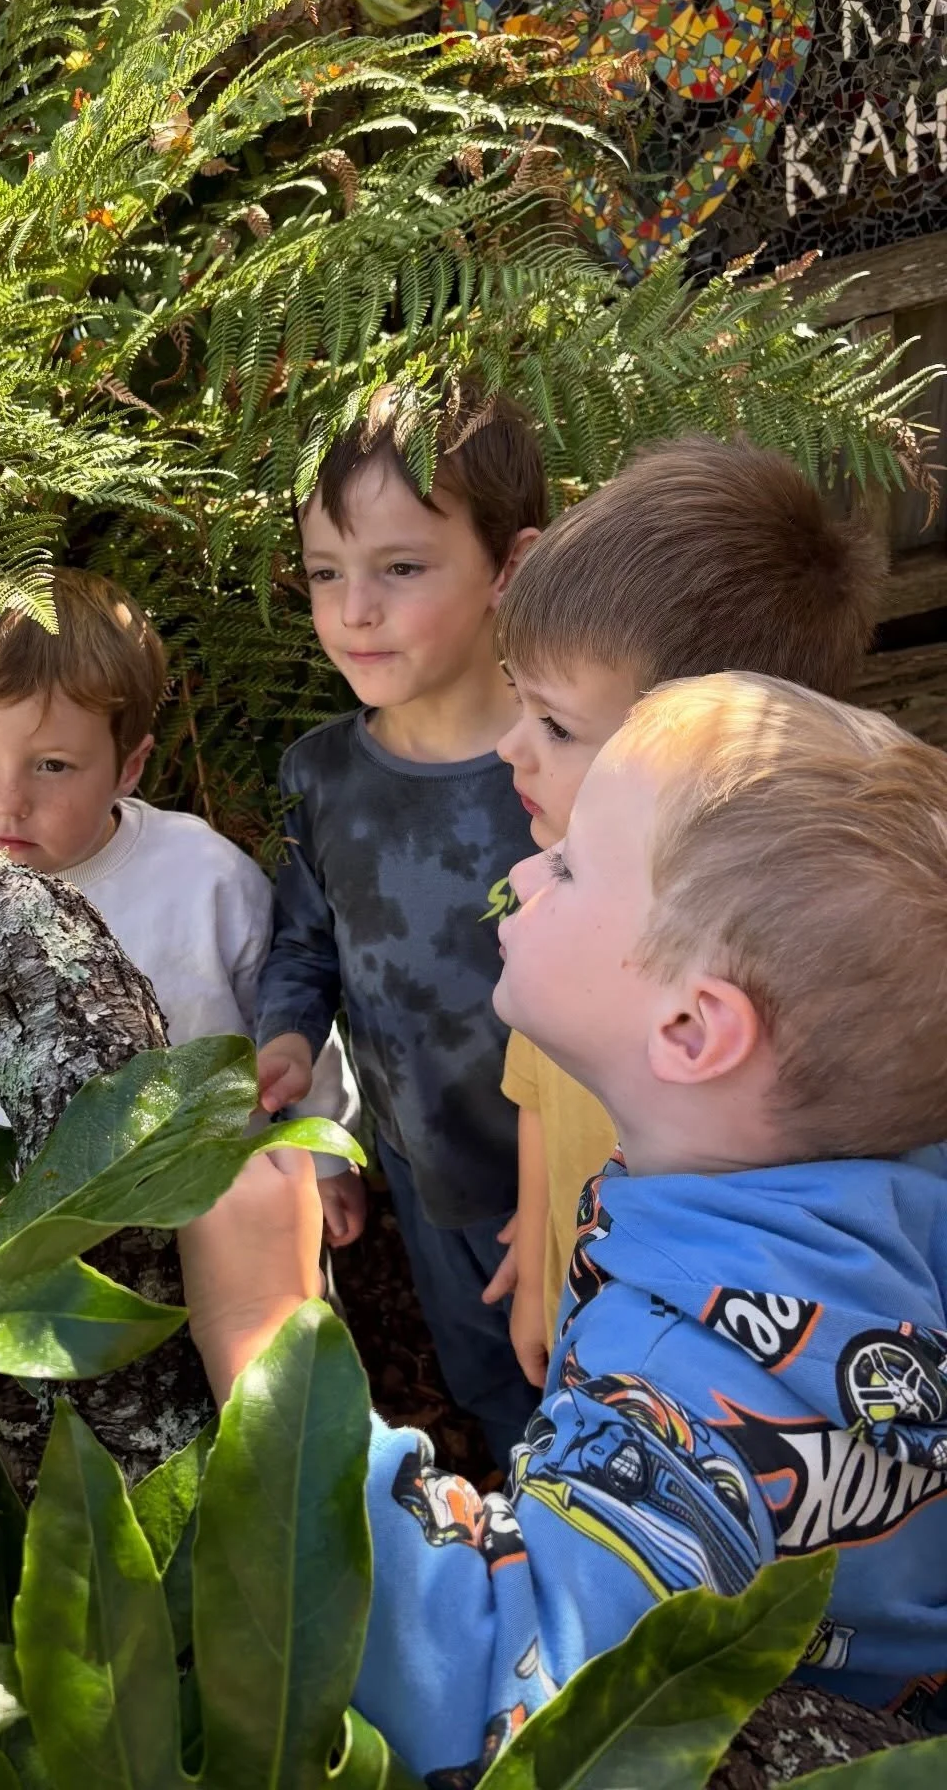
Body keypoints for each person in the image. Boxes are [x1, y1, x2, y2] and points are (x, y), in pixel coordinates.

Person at [181, 673, 947, 1781]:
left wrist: (264, 1334)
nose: (526, 869)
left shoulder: (683, 1388)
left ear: (691, 1029)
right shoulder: (897, 1173)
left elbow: (493, 1700)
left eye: (575, 866)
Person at [489, 438, 881, 1386]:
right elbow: (540, 1088)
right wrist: (544, 1261)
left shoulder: (793, 965)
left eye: (556, 724)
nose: (510, 747)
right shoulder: (566, 907)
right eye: (518, 702)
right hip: (588, 1304)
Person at [253, 378, 548, 1472]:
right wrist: (288, 1044)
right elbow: (306, 948)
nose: (353, 611)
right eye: (327, 573)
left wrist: (577, 1189)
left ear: (508, 568)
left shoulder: (565, 762)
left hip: (590, 1190)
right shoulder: (321, 775)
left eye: (401, 568)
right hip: (435, 1185)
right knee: (488, 1386)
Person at [0, 568, 355, 1131]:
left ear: (130, 767)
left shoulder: (202, 876)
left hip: (220, 1188)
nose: (8, 801)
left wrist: (322, 1152)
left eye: (53, 765)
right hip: (48, 1209)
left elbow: (290, 1025)